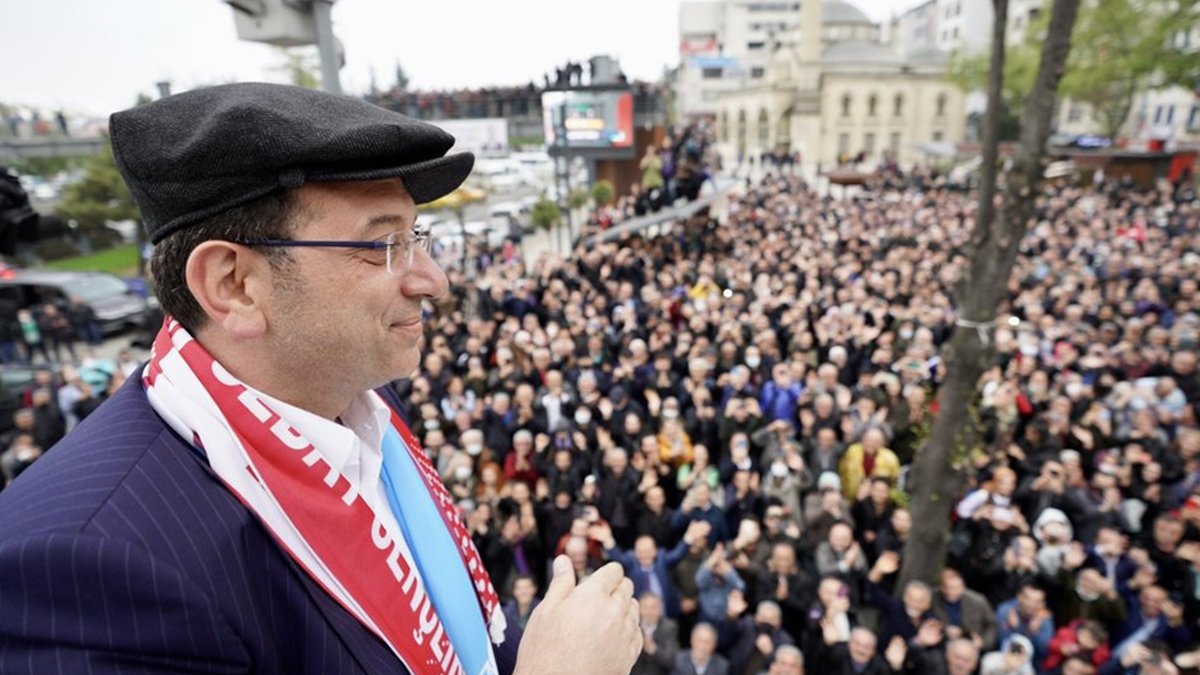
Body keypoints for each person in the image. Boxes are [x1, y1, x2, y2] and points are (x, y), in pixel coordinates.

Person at [0, 83, 641, 674]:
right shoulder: (88, 569)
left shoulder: (361, 399)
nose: (434, 281)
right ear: (234, 285)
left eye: (416, 237)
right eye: (382, 245)